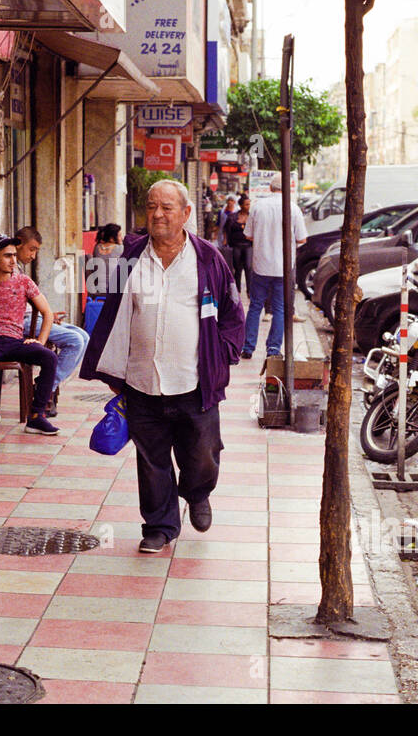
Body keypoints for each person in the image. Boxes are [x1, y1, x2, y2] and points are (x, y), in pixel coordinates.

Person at [80, 178, 245, 553]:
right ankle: (159, 525)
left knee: (203, 454)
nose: (157, 214)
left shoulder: (208, 258)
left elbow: (233, 313)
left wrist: (222, 356)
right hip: (142, 380)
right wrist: (112, 366)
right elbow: (114, 312)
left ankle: (197, 492)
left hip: (195, 380)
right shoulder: (132, 257)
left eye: (167, 207)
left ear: (186, 214)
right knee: (151, 459)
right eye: (152, 206)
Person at [0, 236, 61, 435]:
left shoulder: (24, 281)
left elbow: (47, 313)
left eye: (15, 255)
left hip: (16, 341)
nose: (14, 261)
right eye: (7, 256)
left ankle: (36, 416)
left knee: (49, 357)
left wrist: (40, 341)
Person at [13, 226, 89, 418]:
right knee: (75, 341)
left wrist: (48, 315)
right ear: (18, 243)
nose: (33, 255)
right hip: (24, 322)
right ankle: (46, 388)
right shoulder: (8, 268)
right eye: (31, 249)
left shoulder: (19, 268)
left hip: (34, 317)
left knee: (83, 336)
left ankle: (45, 385)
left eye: (36, 250)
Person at [241, 175, 307, 360]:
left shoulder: (257, 207)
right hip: (284, 268)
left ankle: (248, 347)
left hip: (261, 265)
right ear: (285, 189)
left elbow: (248, 235)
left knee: (255, 306)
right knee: (279, 308)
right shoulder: (293, 208)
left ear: (270, 188)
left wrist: (264, 238)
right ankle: (273, 349)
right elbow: (302, 239)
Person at [84, 224, 124, 336]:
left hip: (96, 292)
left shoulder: (97, 248)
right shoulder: (120, 249)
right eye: (119, 235)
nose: (121, 238)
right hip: (114, 292)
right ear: (112, 237)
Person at [223, 195, 252, 296]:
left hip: (248, 245)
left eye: (249, 204)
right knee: (237, 268)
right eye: (246, 204)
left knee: (248, 267)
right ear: (241, 205)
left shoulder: (252, 216)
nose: (248, 206)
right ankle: (237, 290)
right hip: (236, 245)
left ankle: (249, 290)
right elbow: (226, 229)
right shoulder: (232, 216)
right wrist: (225, 240)